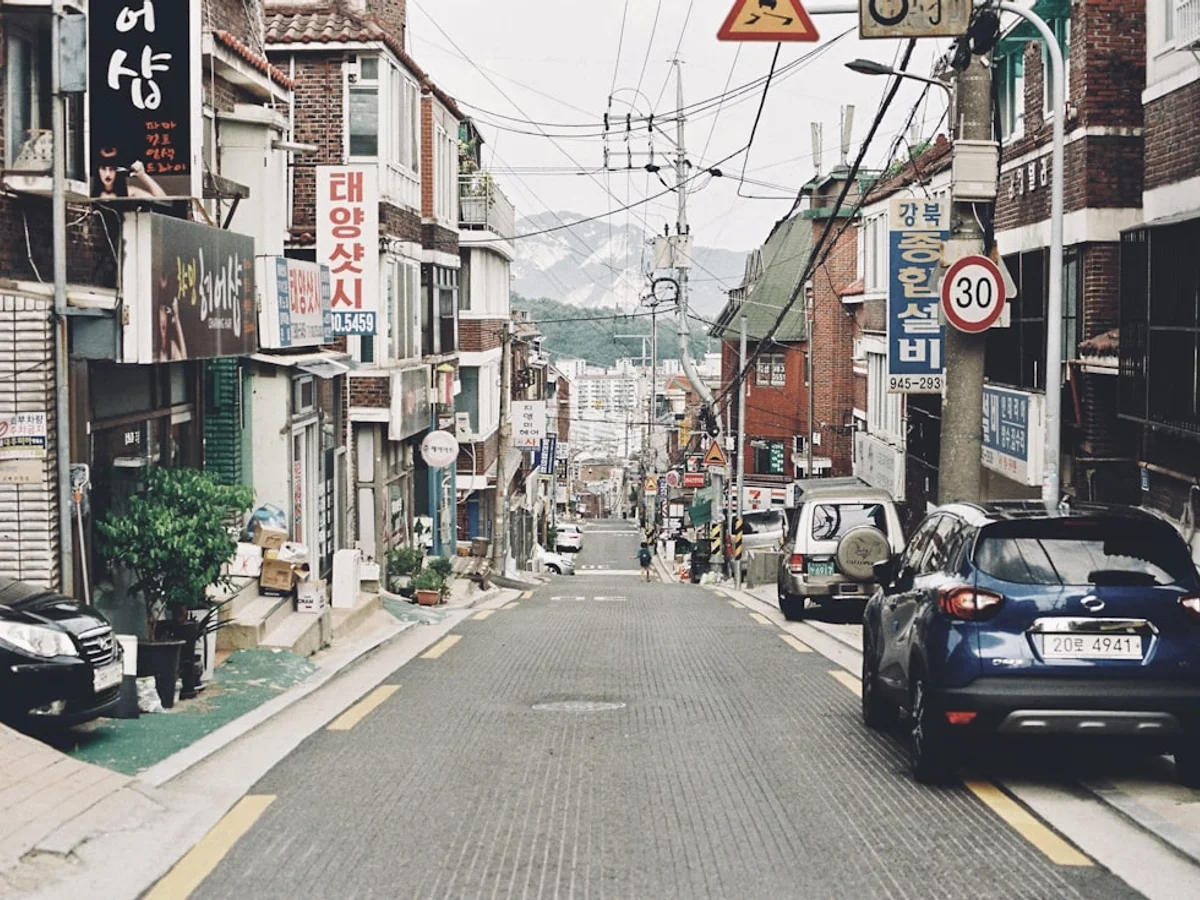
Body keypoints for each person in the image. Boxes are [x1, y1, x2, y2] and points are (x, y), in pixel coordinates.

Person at [94, 147, 167, 199]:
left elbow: (163, 200)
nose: (107, 174)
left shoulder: (129, 192)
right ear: (98, 170)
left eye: (112, 169)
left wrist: (142, 175)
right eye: (103, 169)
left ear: (118, 170)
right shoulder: (88, 195)